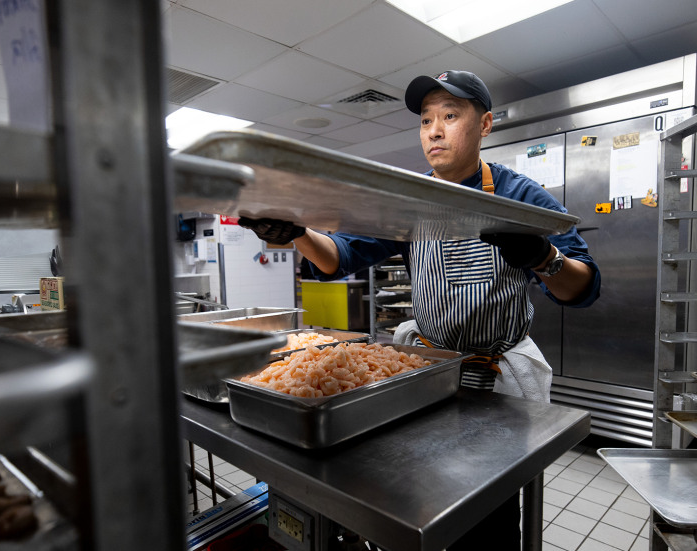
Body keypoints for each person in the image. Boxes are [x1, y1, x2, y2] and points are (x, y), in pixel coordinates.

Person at [240, 70, 600, 548]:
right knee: (424, 500)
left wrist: (542, 257)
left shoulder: (518, 195)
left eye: (450, 116)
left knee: (487, 515)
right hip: (431, 374)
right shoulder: (408, 202)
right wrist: (297, 233)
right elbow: (339, 257)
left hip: (499, 385)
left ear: (485, 124)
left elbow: (584, 286)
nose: (434, 131)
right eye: (426, 120)